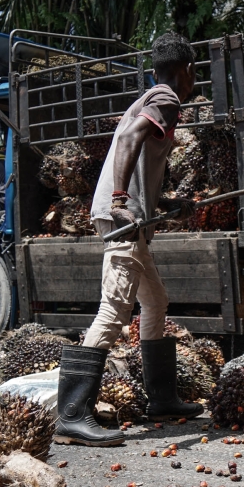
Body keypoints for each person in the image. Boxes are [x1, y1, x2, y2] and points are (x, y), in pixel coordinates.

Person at [54, 32, 204, 447]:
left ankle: (161, 398)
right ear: (185, 71)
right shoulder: (166, 99)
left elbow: (142, 161)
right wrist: (122, 200)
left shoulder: (149, 97)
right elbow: (126, 140)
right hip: (123, 220)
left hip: (131, 219)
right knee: (113, 311)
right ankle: (71, 414)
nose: (195, 82)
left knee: (155, 301)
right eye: (195, 73)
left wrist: (170, 200)